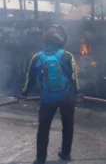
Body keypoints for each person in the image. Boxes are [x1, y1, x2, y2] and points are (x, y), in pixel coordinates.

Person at [19, 25, 82, 164]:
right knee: (68, 126)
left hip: (47, 98)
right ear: (60, 41)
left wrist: (24, 94)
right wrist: (77, 93)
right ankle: (65, 154)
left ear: (45, 41)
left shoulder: (37, 57)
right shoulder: (66, 55)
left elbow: (29, 78)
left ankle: (40, 158)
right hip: (67, 97)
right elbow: (73, 76)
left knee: (43, 127)